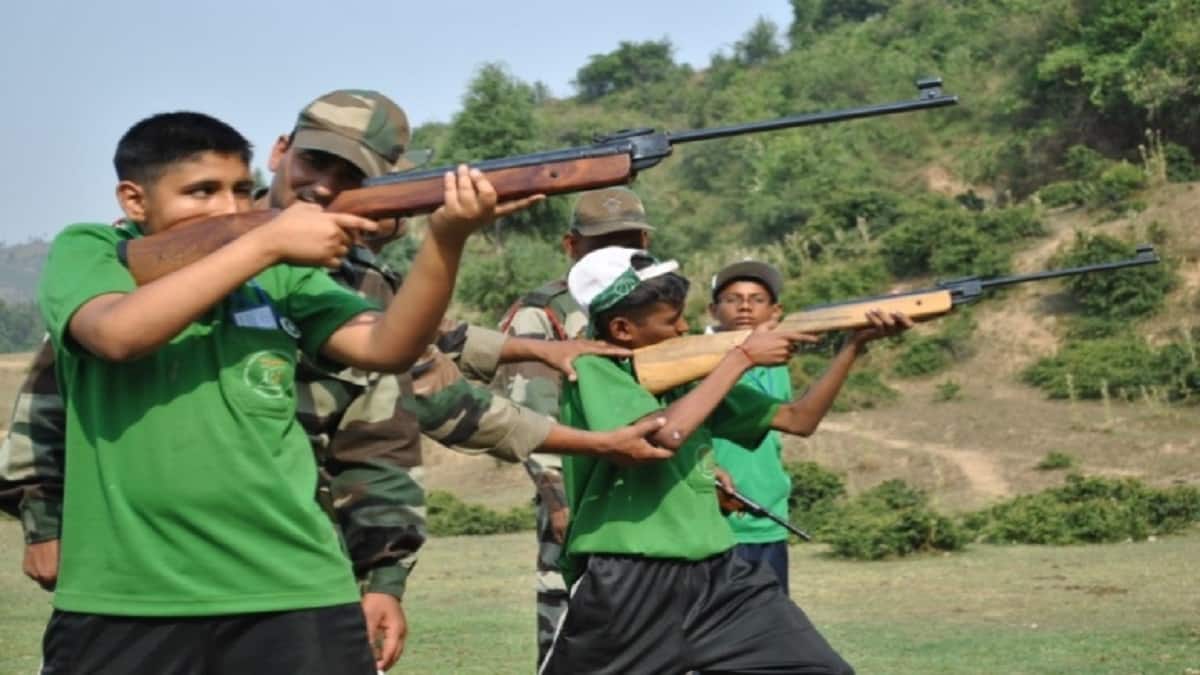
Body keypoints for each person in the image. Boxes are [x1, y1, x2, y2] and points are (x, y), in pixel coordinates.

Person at [1, 90, 640, 671]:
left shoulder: (292, 273)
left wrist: (445, 240)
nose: (226, 207)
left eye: (236, 189)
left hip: (299, 586)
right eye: (201, 191)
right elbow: (116, 335)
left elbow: (390, 347)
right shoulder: (93, 252)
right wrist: (266, 243)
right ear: (133, 201)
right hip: (124, 596)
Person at [540, 246, 913, 674]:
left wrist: (853, 346)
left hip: (718, 574)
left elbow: (798, 418)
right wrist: (739, 358)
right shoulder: (591, 368)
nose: (684, 327)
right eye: (671, 320)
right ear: (623, 328)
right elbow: (661, 437)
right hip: (627, 581)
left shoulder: (689, 378)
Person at [492, 186, 651, 667]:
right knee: (574, 635)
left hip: (651, 491)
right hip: (579, 497)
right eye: (602, 244)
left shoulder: (659, 300)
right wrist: (558, 501)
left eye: (627, 242)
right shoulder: (544, 313)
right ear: (571, 247)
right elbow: (532, 418)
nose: (617, 254)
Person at [708, 258, 795, 591]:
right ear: (713, 310)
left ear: (776, 311)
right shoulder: (696, 363)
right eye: (732, 299)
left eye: (757, 299)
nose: (745, 307)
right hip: (718, 520)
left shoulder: (778, 364)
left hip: (769, 518)